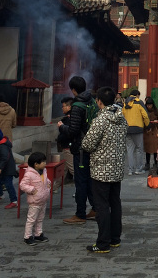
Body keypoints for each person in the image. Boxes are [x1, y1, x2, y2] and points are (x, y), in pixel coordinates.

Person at [81, 86, 128, 253]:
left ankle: (103, 243)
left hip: (101, 169)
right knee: (115, 203)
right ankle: (115, 238)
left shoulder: (101, 120)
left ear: (99, 101)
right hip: (117, 168)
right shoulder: (121, 118)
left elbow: (87, 144)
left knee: (101, 206)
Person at [59, 76, 97, 224]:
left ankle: (80, 214)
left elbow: (73, 130)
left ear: (73, 89)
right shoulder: (92, 102)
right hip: (91, 145)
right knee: (88, 180)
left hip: (80, 147)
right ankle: (95, 208)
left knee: (80, 181)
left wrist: (62, 127)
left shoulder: (77, 106)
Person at [20, 151, 51, 246]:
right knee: (31, 219)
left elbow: (45, 180)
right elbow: (22, 185)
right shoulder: (29, 174)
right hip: (35, 201)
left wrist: (48, 183)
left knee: (40, 218)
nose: (45, 164)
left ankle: (38, 234)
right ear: (36, 164)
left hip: (43, 199)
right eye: (43, 162)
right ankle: (27, 236)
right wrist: (32, 190)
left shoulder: (44, 171)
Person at [0, 128, 18, 209]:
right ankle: (0, 195)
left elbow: (5, 157)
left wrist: (0, 168)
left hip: (7, 169)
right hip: (3, 168)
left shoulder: (2, 146)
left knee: (8, 185)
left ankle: (14, 201)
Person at [122, 92, 150, 175]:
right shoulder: (139, 102)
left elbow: (122, 116)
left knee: (129, 150)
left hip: (127, 129)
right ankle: (139, 169)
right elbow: (145, 115)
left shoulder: (125, 103)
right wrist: (148, 125)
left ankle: (130, 170)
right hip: (138, 129)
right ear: (137, 95)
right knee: (139, 149)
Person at [57, 96, 75, 183]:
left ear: (69, 107)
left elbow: (68, 134)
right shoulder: (71, 117)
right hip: (68, 147)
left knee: (73, 170)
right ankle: (53, 188)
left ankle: (82, 190)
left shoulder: (69, 119)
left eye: (63, 106)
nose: (62, 108)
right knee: (63, 169)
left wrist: (61, 128)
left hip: (68, 147)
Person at [143, 96, 158, 171]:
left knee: (155, 149)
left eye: (150, 105)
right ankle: (147, 163)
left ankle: (155, 163)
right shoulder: (144, 111)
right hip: (147, 131)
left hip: (154, 131)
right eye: (148, 105)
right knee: (147, 149)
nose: (149, 106)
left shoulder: (156, 111)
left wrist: (157, 122)